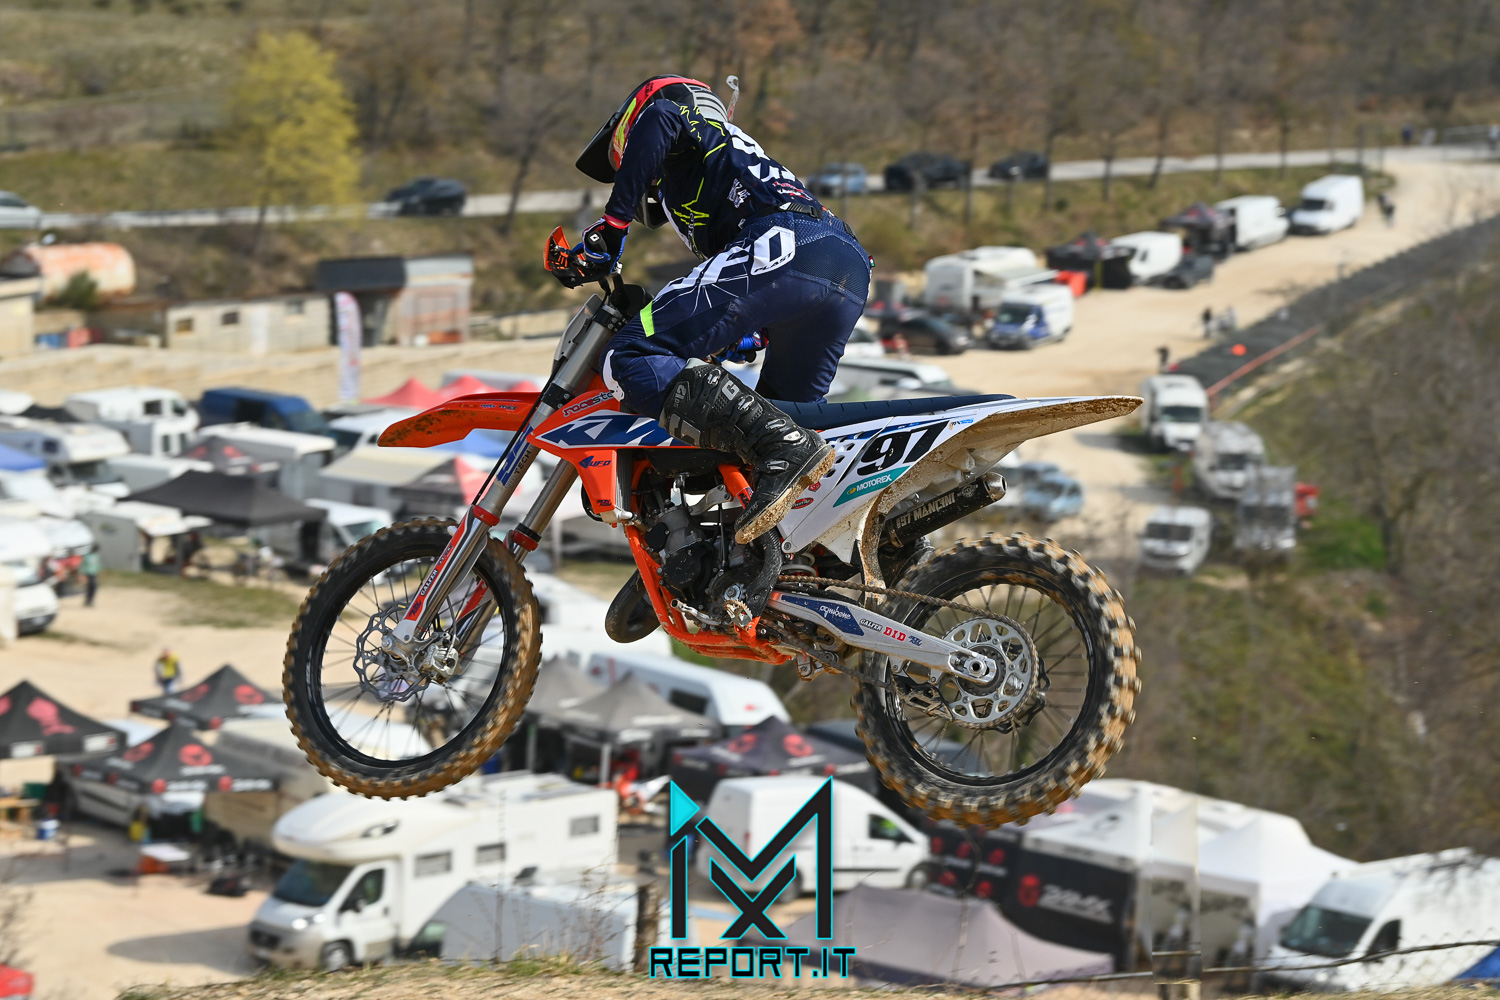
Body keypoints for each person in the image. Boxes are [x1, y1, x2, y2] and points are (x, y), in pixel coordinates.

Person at [570, 76, 871, 546]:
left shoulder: (687, 123)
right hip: (843, 266)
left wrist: (612, 226)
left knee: (630, 355)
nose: (650, 188)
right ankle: (809, 554)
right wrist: (750, 333)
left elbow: (661, 115)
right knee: (783, 426)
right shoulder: (735, 160)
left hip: (785, 244)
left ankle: (787, 452)